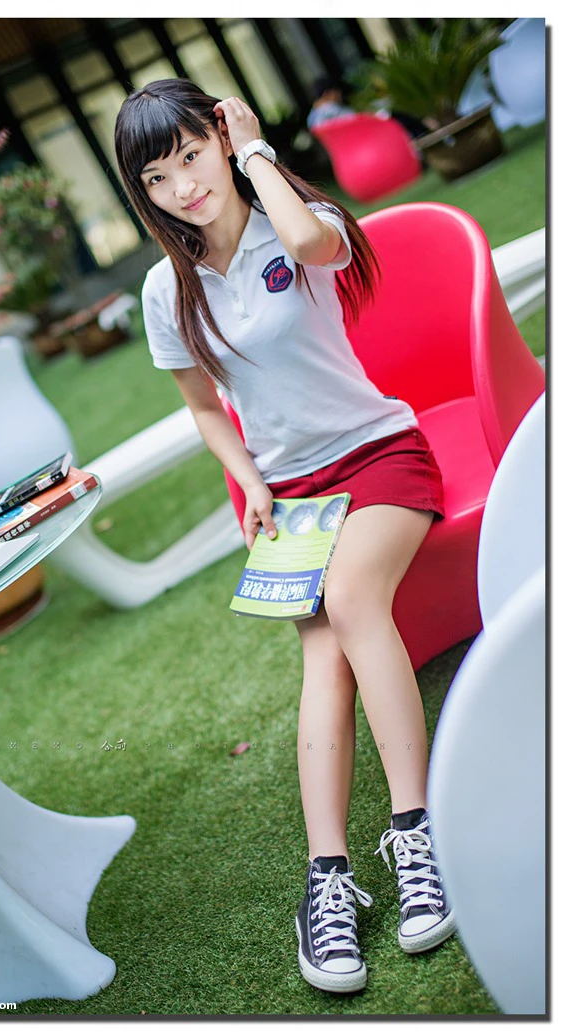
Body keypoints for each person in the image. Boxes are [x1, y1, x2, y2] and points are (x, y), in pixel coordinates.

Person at [114, 78, 455, 995]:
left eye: (192, 155)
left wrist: (256, 149)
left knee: (351, 599)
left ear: (222, 139)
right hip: (293, 495)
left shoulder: (296, 221)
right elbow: (203, 407)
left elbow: (311, 246)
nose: (184, 187)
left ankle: (417, 833)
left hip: (378, 453)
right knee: (322, 660)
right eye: (157, 178)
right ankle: (328, 879)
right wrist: (252, 480)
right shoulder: (165, 289)